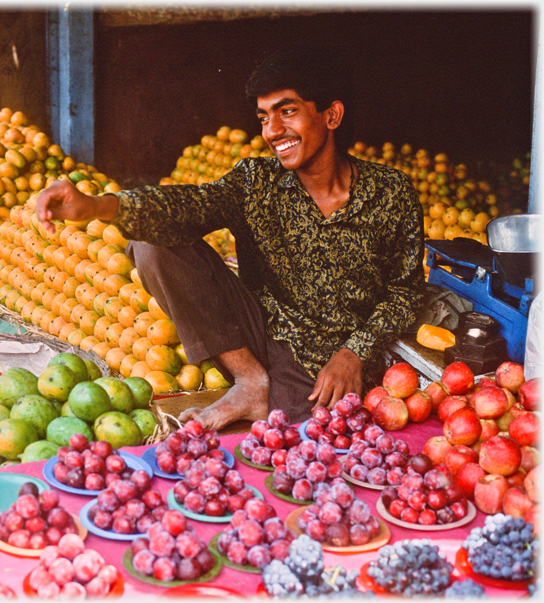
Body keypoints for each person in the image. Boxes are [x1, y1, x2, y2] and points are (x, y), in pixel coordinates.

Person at [36, 46, 425, 431]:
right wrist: (97, 207)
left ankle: (269, 397)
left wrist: (354, 352)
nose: (272, 132)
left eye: (287, 111)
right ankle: (249, 382)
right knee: (151, 243)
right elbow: (190, 205)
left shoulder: (390, 193)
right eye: (264, 117)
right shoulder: (256, 181)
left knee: (298, 440)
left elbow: (406, 293)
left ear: (331, 115)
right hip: (258, 329)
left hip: (327, 357)